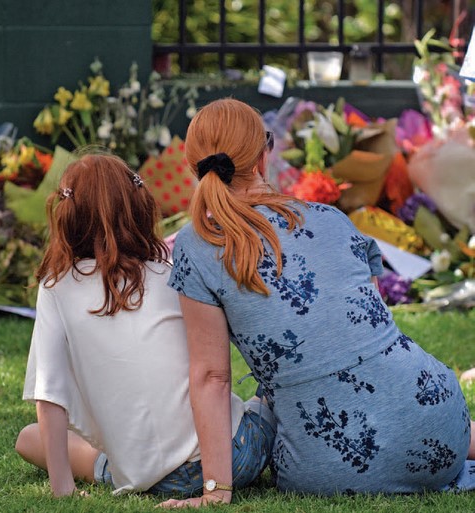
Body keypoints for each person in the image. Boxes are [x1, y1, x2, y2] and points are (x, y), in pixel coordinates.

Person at [161, 98, 475, 507]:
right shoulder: (330, 218)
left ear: (194, 167)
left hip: (329, 467)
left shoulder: (194, 245)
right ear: (262, 157)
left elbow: (212, 378)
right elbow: (365, 331)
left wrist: (215, 490)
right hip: (438, 419)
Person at [15, 152, 275, 501]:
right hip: (236, 455)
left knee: (29, 438)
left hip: (154, 479)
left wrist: (63, 489)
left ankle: (112, 467)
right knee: (268, 390)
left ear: (66, 213)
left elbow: (49, 397)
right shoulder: (169, 267)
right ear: (139, 203)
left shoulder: (56, 287)